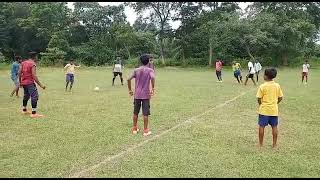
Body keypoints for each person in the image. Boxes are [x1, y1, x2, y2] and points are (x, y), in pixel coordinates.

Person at [127, 54, 155, 137]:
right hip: (146, 95)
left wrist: (130, 90)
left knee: (135, 112)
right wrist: (153, 88)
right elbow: (153, 78)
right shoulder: (150, 70)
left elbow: (128, 79)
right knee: (145, 113)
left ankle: (134, 128)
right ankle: (146, 131)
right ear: (148, 61)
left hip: (137, 95)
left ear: (141, 61)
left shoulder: (136, 70)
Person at [256, 68, 283, 149]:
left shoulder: (262, 86)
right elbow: (280, 97)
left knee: (261, 127)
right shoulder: (277, 86)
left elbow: (259, 98)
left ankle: (260, 144)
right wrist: (275, 103)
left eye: (264, 74)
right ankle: (274, 145)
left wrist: (261, 104)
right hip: (274, 110)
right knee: (274, 127)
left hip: (264, 110)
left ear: (266, 76)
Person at [19, 51, 46, 118]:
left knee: (26, 95)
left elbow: (19, 73)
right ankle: (34, 113)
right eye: (37, 56)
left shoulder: (23, 63)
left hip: (24, 83)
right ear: (35, 57)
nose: (37, 58)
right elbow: (34, 76)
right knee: (35, 96)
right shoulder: (32, 64)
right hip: (30, 83)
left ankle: (24, 110)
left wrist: (20, 82)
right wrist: (41, 85)